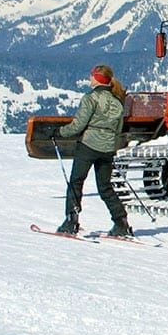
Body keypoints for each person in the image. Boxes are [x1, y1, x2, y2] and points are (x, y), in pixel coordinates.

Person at [43, 64, 132, 237]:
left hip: (89, 145)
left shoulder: (90, 98)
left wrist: (58, 132)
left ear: (97, 79)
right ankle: (121, 222)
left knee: (76, 182)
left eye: (92, 76)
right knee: (105, 187)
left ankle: (71, 221)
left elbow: (78, 125)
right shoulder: (117, 101)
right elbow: (118, 128)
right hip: (107, 148)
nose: (90, 78)